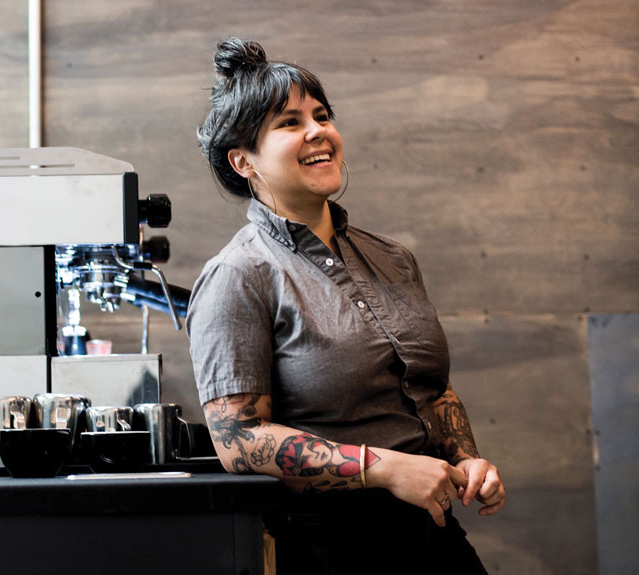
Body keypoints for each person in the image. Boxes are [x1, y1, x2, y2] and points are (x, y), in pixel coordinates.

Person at [188, 38, 506, 574]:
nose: (318, 131)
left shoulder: (394, 258)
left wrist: (467, 459)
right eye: (290, 123)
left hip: (434, 530)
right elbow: (238, 439)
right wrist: (384, 468)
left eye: (322, 115)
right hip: (326, 547)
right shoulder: (238, 275)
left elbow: (432, 388)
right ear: (243, 161)